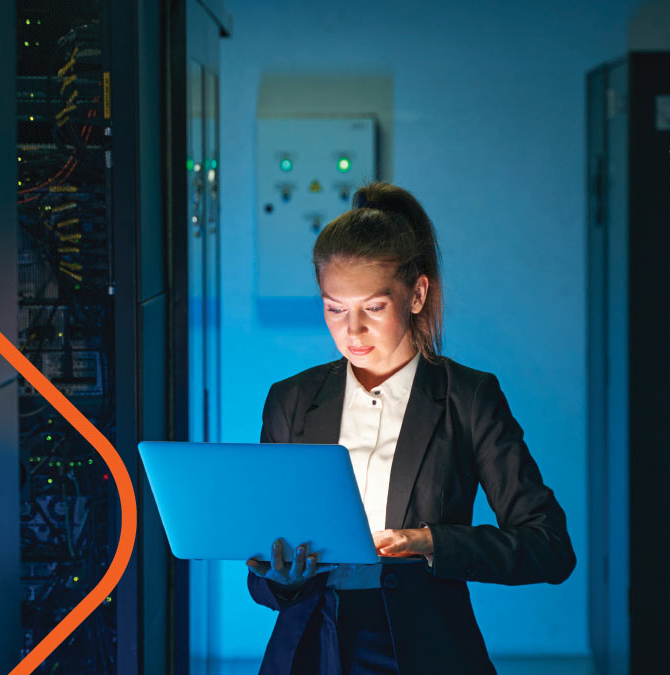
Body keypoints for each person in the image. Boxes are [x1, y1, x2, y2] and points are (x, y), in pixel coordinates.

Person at [244, 182, 577, 675]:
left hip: (424, 648)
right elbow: (260, 576)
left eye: (373, 308)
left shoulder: (468, 398)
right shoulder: (291, 400)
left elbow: (549, 548)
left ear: (417, 293)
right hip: (308, 650)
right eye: (334, 308)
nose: (351, 331)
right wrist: (282, 576)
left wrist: (431, 543)